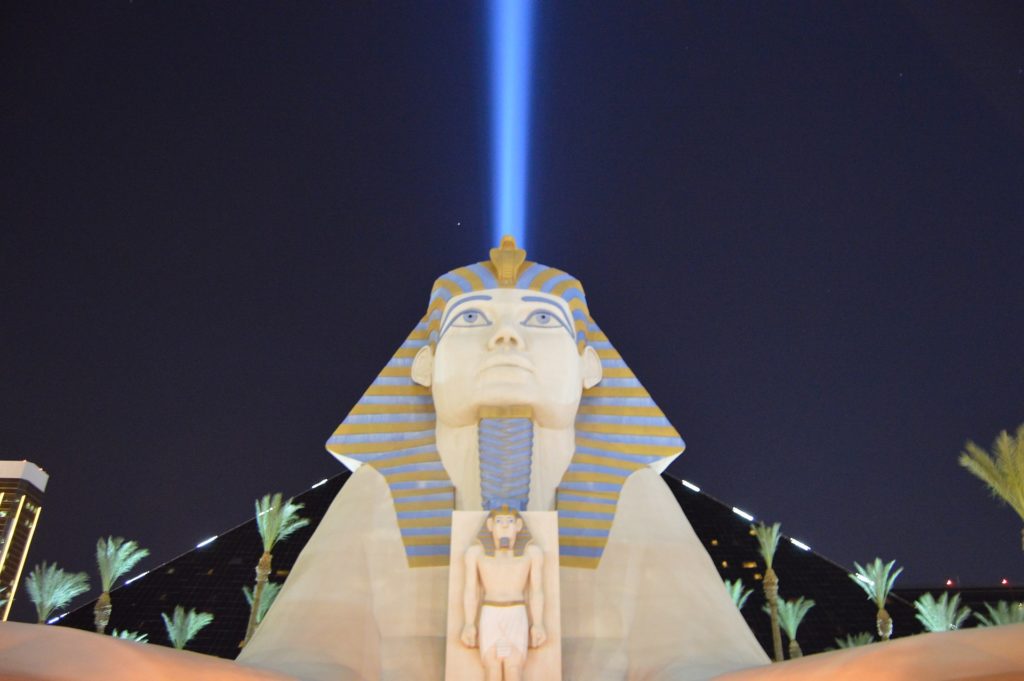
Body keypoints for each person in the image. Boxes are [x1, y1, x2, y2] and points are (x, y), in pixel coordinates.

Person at [238, 237, 768, 680]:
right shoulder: (378, 492)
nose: (506, 335)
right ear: (424, 365)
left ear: (589, 366)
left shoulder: (634, 494)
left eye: (541, 318)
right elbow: (305, 657)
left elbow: (700, 659)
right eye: (471, 318)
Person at [461, 506, 545, 681]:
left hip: (516, 614)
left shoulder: (532, 554)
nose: (505, 526)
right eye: (499, 521)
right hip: (490, 614)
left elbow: (536, 591)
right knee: (492, 667)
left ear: (519, 525)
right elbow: (471, 590)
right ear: (490, 525)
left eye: (510, 521)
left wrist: (538, 624)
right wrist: (469, 624)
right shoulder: (475, 554)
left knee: (514, 667)